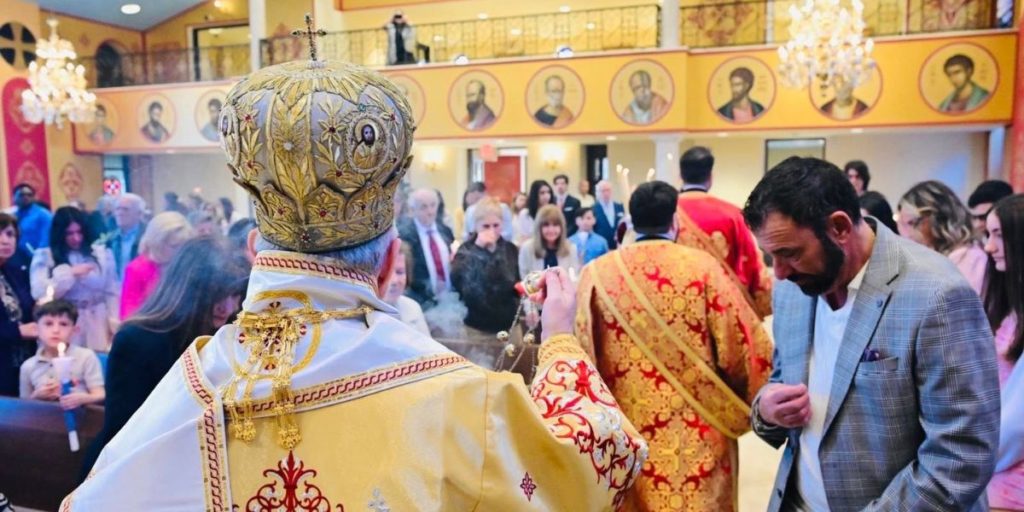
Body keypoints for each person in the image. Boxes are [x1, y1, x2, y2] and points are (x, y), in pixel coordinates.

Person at [63, 54, 646, 510]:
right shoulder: (458, 398)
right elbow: (592, 462)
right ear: (392, 261)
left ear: (253, 249)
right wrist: (563, 338)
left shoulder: (190, 388)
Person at [745, 157, 999, 512]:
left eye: (790, 254)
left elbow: (960, 454)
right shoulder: (792, 289)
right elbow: (780, 383)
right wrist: (768, 411)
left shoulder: (936, 294)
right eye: (771, 256)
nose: (781, 272)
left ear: (839, 228)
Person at [577, 181, 773, 511]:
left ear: (630, 223)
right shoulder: (703, 269)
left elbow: (582, 351)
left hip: (626, 437)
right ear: (675, 222)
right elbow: (743, 346)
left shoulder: (595, 274)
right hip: (697, 437)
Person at [79, 237, 246, 479]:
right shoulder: (138, 339)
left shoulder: (225, 336)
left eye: (233, 296)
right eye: (216, 296)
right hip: (135, 473)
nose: (226, 307)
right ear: (189, 291)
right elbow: (124, 431)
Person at [676, 146, 772, 319]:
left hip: (676, 305)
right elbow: (750, 262)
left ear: (680, 176)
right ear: (710, 176)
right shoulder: (732, 214)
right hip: (722, 309)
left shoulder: (667, 214)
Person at [982, 195, 1024, 511]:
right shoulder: (1011, 306)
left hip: (1010, 479)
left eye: (998, 235)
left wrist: (976, 460)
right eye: (988, 235)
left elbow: (1017, 423)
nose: (988, 246)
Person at [30, 207, 119, 352]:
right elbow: (40, 293)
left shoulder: (101, 254)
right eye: (69, 233)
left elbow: (112, 292)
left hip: (98, 322)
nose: (76, 238)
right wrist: (69, 273)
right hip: (64, 323)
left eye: (79, 232)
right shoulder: (45, 256)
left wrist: (114, 324)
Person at [898, 180, 988, 294]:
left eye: (913, 223)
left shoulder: (971, 259)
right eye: (904, 225)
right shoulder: (931, 258)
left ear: (937, 218)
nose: (907, 235)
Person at [451, 199, 520, 334]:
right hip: (476, 326)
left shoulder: (510, 249)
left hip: (508, 324)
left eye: (496, 225)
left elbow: (517, 283)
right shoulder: (466, 250)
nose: (492, 231)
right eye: (486, 226)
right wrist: (479, 248)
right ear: (476, 226)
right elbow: (458, 282)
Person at [19, 300, 104, 409]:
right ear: (36, 329)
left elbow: (100, 394)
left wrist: (84, 398)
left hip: (82, 420)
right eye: (48, 324)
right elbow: (22, 406)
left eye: (63, 324)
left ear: (74, 330)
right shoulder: (28, 366)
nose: (56, 330)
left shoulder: (86, 357)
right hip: (42, 421)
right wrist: (36, 396)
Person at [119, 212, 194, 320]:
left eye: (184, 246)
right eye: (174, 246)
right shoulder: (137, 269)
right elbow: (129, 315)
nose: (180, 252)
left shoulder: (188, 264)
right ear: (157, 243)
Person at [398, 188, 455, 308]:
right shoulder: (404, 235)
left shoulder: (445, 231)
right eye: (423, 207)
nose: (430, 211)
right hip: (421, 301)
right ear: (413, 210)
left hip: (450, 299)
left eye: (433, 205)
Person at [0, 214, 36, 396]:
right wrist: (17, 331)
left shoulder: (15, 271)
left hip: (22, 360)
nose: (5, 240)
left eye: (10, 234)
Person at [518, 204, 580, 275]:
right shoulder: (527, 248)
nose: (551, 230)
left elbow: (574, 278)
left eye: (555, 225)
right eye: (546, 225)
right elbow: (524, 279)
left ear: (562, 228)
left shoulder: (571, 248)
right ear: (539, 227)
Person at [382, 243, 430, 335]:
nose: (394, 280)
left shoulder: (413, 308)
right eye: (386, 272)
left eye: (400, 272)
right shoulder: (357, 314)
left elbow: (429, 348)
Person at [106, 193, 146, 280]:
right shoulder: (111, 239)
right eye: (117, 209)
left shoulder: (148, 237)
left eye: (125, 209)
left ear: (139, 214)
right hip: (116, 290)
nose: (120, 213)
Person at [11, 183, 52, 253]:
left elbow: (46, 240)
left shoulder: (44, 215)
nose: (26, 197)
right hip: (15, 255)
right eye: (22, 195)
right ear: (14, 197)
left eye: (29, 195)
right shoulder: (12, 216)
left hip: (36, 256)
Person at [514, 180, 553, 245]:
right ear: (535, 194)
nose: (546, 196)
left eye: (548, 192)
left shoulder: (553, 213)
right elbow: (523, 238)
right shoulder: (525, 214)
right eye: (542, 193)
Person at [593, 180, 626, 250]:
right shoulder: (593, 209)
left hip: (619, 246)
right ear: (597, 193)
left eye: (608, 190)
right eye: (603, 191)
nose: (606, 193)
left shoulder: (620, 207)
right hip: (601, 247)